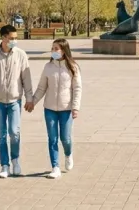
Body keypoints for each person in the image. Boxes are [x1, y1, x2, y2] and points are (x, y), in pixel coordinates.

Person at [0, 24, 33, 179]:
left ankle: (15, 160)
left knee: (14, 132)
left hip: (14, 100)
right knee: (1, 135)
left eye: (15, 39)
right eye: (11, 38)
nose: (14, 41)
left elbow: (26, 78)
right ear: (3, 38)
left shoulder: (21, 55)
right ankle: (5, 165)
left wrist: (29, 98)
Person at [26, 39, 83, 179]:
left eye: (56, 48)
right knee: (52, 138)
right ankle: (55, 167)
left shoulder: (73, 67)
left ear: (64, 50)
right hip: (50, 108)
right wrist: (33, 101)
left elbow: (77, 89)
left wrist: (75, 107)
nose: (53, 51)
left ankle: (68, 154)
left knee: (65, 138)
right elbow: (41, 88)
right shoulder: (48, 67)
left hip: (66, 108)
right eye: (52, 48)